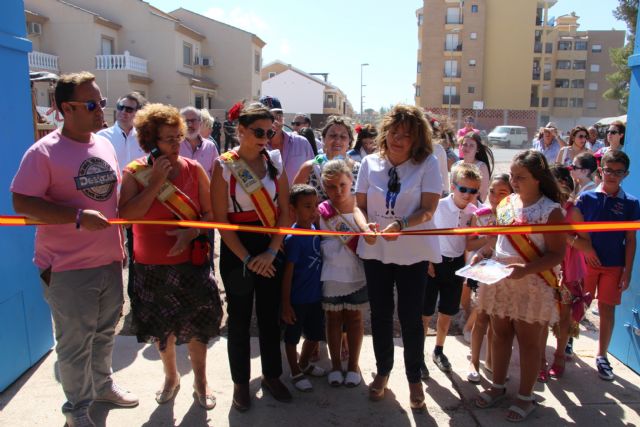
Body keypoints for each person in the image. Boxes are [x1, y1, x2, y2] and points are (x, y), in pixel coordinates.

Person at [11, 71, 138, 427]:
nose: (101, 111)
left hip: (109, 263)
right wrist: (77, 216)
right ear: (67, 108)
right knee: (74, 344)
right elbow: (22, 201)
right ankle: (77, 410)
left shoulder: (104, 144)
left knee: (103, 333)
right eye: (92, 104)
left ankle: (103, 387)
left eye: (102, 103)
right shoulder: (44, 152)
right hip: (67, 269)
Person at [119, 103, 223, 410]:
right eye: (168, 139)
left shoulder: (194, 169)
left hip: (190, 263)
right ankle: (171, 377)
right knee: (162, 329)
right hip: (151, 266)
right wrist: (153, 185)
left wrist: (191, 233)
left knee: (198, 327)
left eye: (179, 137)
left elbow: (210, 215)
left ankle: (201, 382)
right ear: (151, 140)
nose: (176, 144)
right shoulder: (135, 173)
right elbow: (125, 217)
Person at [354, 104, 442, 412]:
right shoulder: (369, 163)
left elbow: (429, 209)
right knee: (379, 314)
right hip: (376, 250)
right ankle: (383, 371)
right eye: (394, 131)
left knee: (410, 317)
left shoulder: (428, 164)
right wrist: (365, 227)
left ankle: (414, 376)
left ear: (417, 140)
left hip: (412, 252)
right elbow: (358, 205)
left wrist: (402, 225)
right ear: (385, 131)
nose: (398, 139)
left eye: (407, 135)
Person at [211, 103, 292, 411]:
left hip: (271, 246)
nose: (265, 138)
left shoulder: (275, 162)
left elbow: (284, 211)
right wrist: (246, 259)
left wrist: (272, 250)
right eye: (258, 132)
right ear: (240, 130)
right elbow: (221, 221)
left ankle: (272, 376)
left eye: (270, 132)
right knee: (240, 320)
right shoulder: (223, 165)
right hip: (238, 251)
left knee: (270, 318)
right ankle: (241, 384)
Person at [474, 150, 565, 423]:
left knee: (528, 344)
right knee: (498, 335)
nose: (514, 181)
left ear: (538, 178)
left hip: (533, 284)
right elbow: (499, 239)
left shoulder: (551, 211)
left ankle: (526, 397)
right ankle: (497, 385)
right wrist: (485, 253)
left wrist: (525, 270)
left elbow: (557, 254)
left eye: (520, 177)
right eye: (512, 175)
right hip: (501, 280)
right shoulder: (508, 202)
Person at [575, 150, 640, 381]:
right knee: (578, 303)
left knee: (607, 308)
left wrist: (628, 270)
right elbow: (574, 232)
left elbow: (631, 240)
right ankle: (568, 342)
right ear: (600, 170)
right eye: (608, 170)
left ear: (626, 174)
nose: (612, 175)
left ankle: (602, 355)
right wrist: (587, 250)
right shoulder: (586, 198)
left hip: (614, 265)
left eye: (618, 171)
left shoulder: (631, 203)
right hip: (587, 263)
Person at [422, 163, 481, 377]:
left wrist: (490, 238)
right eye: (463, 189)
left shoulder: (473, 212)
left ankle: (439, 349)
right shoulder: (438, 205)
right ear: (453, 186)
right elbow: (425, 233)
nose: (467, 195)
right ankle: (419, 354)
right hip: (433, 263)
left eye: (473, 191)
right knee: (426, 311)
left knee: (447, 311)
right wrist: (427, 260)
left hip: (456, 265)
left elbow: (469, 244)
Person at [537, 166, 591, 381]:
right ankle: (539, 360)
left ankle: (559, 356)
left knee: (564, 316)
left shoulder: (573, 211)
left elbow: (587, 245)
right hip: (544, 267)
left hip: (568, 269)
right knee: (541, 315)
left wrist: (566, 236)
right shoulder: (540, 206)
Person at [318, 159, 369, 387]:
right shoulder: (322, 210)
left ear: (351, 182)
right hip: (331, 272)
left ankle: (353, 366)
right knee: (332, 318)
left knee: (355, 318)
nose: (337, 191)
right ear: (323, 186)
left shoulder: (362, 208)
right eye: (331, 186)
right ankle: (336, 366)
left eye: (342, 185)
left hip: (357, 272)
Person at [464, 174, 513, 383]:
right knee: (482, 317)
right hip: (485, 272)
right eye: (492, 191)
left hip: (506, 272)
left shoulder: (513, 215)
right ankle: (474, 362)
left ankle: (492, 362)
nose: (495, 196)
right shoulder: (480, 215)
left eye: (502, 192)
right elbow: (469, 244)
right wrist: (487, 240)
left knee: (498, 322)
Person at [281, 184, 326, 392]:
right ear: (293, 210)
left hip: (315, 297)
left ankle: (304, 364)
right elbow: (288, 274)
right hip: (297, 299)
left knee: (315, 335)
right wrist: (286, 304)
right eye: (307, 206)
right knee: (292, 338)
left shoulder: (316, 230)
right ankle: (295, 372)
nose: (313, 210)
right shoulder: (292, 238)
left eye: (315, 205)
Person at [293, 115, 359, 200]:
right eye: (333, 135)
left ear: (349, 141)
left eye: (343, 136)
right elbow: (293, 201)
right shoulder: (310, 168)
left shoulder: (358, 169)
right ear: (323, 138)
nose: (337, 141)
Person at [260, 95, 315, 185]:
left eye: (278, 116)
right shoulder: (256, 147)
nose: (275, 122)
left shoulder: (302, 143)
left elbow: (314, 175)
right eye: (269, 117)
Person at [97, 91, 147, 168]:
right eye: (120, 107)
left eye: (129, 109)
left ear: (137, 112)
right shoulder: (101, 137)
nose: (123, 111)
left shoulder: (143, 139)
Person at [179, 106, 219, 179]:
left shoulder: (210, 147)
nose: (189, 125)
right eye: (185, 121)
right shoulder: (173, 146)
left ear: (200, 123)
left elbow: (216, 176)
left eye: (193, 120)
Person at [453, 132, 494, 202]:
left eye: (471, 145)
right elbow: (453, 190)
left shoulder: (481, 167)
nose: (467, 148)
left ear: (477, 149)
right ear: (461, 147)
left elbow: (482, 195)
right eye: (465, 144)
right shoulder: (456, 165)